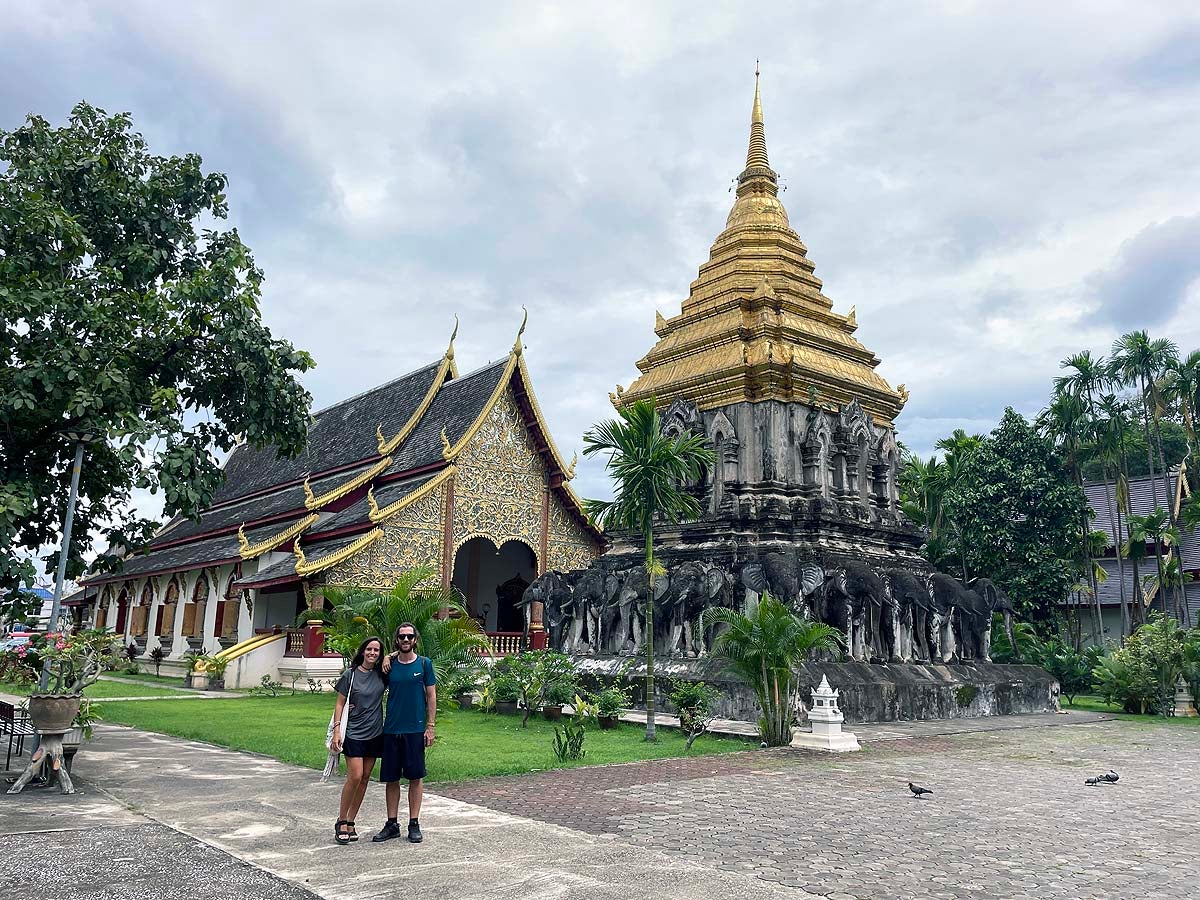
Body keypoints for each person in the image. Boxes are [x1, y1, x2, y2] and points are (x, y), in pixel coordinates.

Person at [373, 622, 436, 843]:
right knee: (391, 779)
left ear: (415, 639)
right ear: (397, 640)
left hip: (415, 729)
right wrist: (389, 656)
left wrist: (430, 726)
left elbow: (431, 696)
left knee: (415, 777)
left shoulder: (424, 664)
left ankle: (414, 823)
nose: (406, 640)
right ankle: (392, 824)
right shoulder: (389, 666)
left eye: (410, 637)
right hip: (391, 729)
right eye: (402, 637)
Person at [331, 636, 387, 845]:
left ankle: (352, 821)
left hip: (375, 733)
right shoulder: (350, 675)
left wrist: (389, 656)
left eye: (377, 651)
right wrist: (337, 731)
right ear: (363, 651)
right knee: (354, 776)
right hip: (353, 732)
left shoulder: (382, 675)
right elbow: (339, 705)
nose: (373, 653)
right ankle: (341, 820)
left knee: (364, 778)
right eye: (369, 649)